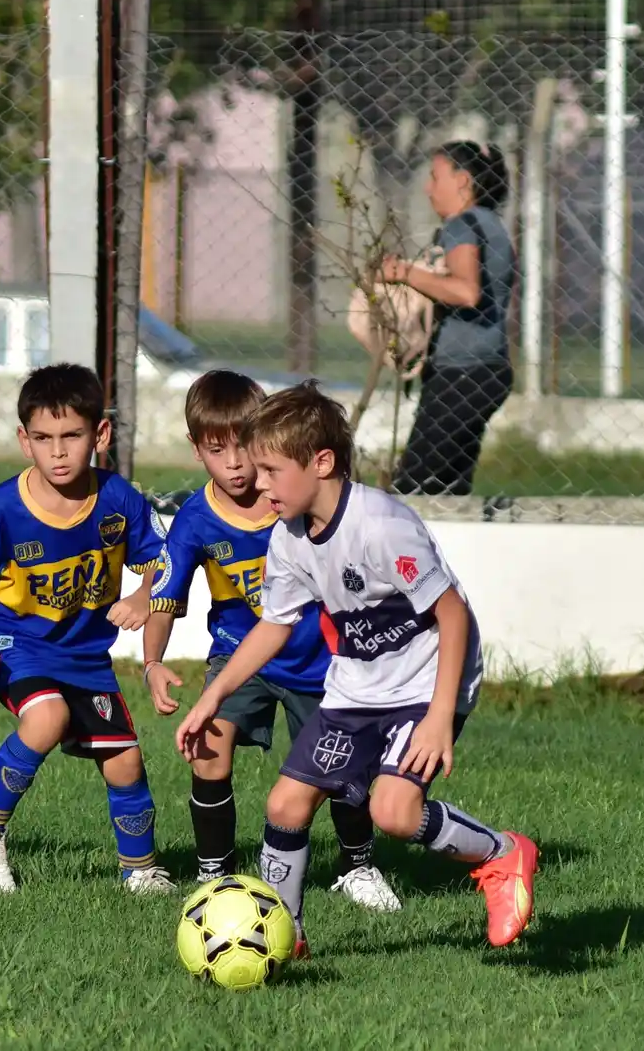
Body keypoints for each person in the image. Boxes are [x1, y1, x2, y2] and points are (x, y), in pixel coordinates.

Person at [175, 381, 537, 956]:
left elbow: (451, 614)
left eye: (270, 470)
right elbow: (273, 626)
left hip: (424, 684)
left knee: (393, 811)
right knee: (285, 805)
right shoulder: (289, 537)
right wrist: (213, 696)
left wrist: (440, 716)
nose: (259, 483)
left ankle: (502, 854)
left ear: (320, 463)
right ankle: (284, 935)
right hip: (356, 687)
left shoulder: (381, 525)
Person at [143, 369, 401, 912]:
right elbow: (162, 597)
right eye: (217, 450)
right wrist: (152, 661)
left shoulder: (295, 501)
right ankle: (215, 873)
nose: (235, 464)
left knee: (342, 767)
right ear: (196, 449)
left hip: (319, 661)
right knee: (207, 746)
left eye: (245, 447)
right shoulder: (196, 519)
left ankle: (357, 865)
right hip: (242, 657)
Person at [0, 363, 175, 896]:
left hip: (84, 655)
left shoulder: (119, 499)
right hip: (12, 641)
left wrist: (142, 595)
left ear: (100, 435)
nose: (58, 452)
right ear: (25, 441)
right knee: (48, 716)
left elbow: (165, 560)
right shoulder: (1, 510)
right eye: (43, 439)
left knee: (125, 760)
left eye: (72, 436)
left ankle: (139, 871)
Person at [381, 140, 518, 496]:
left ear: (462, 180)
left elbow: (466, 291)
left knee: (411, 488)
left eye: (435, 177)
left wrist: (403, 273)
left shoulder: (462, 225)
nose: (428, 188)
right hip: (488, 370)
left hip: (462, 374)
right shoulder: (492, 225)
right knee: (448, 490)